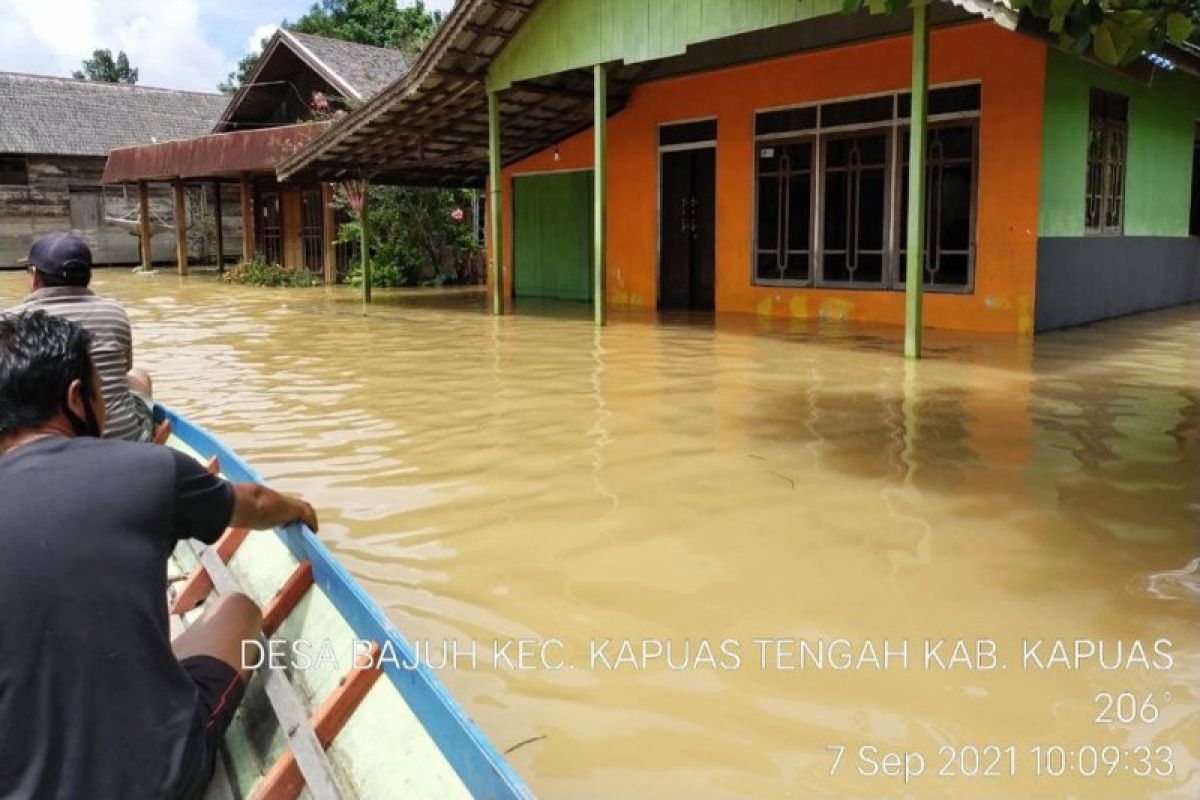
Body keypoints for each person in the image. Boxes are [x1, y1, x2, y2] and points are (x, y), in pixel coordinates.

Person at [0, 311, 319, 799]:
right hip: (156, 777)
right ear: (74, 399)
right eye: (101, 391)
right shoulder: (149, 469)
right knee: (238, 608)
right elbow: (253, 503)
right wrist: (299, 507)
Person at [7, 232, 168, 443]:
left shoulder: (9, 322)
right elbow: (124, 370)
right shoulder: (114, 312)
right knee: (139, 376)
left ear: (35, 276)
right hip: (124, 439)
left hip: (40, 445)